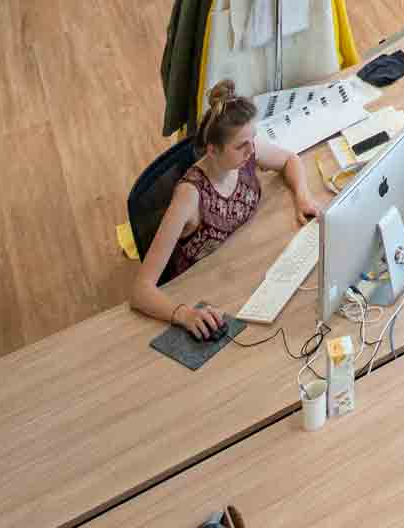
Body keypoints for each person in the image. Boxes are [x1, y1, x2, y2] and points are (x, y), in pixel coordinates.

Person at [129, 82, 323, 339]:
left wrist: (303, 198)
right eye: (241, 145)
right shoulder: (189, 197)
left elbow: (290, 160)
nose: (252, 149)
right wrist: (184, 314)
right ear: (212, 150)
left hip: (242, 266)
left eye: (252, 139)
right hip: (204, 291)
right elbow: (140, 291)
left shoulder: (247, 154)